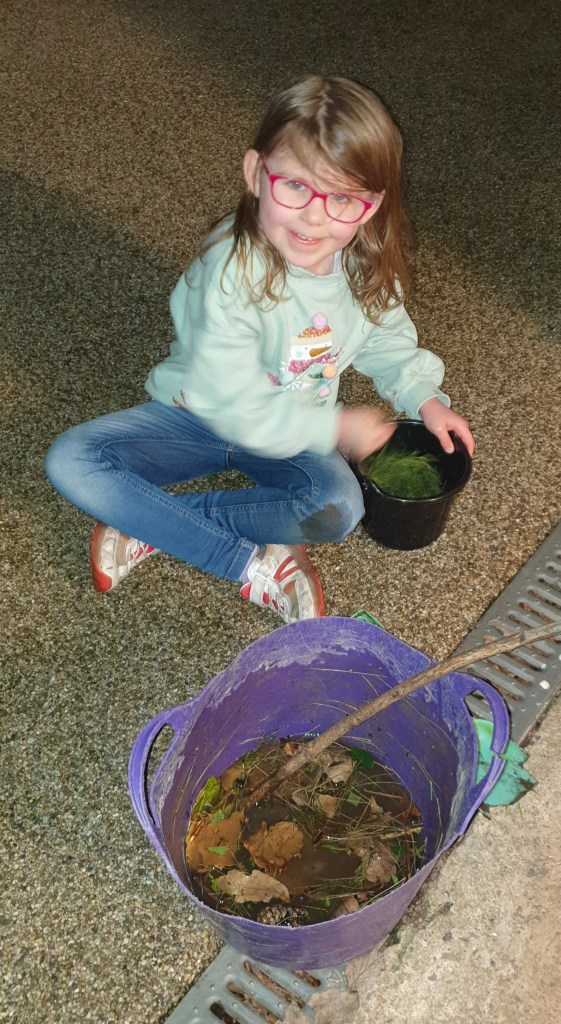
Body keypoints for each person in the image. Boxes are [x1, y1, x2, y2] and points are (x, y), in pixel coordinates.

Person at [45, 75, 474, 624]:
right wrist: (337, 427)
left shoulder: (365, 265)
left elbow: (387, 338)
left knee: (341, 509)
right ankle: (249, 563)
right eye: (295, 186)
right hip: (196, 417)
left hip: (296, 430)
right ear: (254, 173)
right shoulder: (227, 270)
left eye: (342, 198)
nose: (314, 216)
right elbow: (234, 402)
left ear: (372, 206)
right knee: (72, 460)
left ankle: (153, 522)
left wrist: (425, 398)